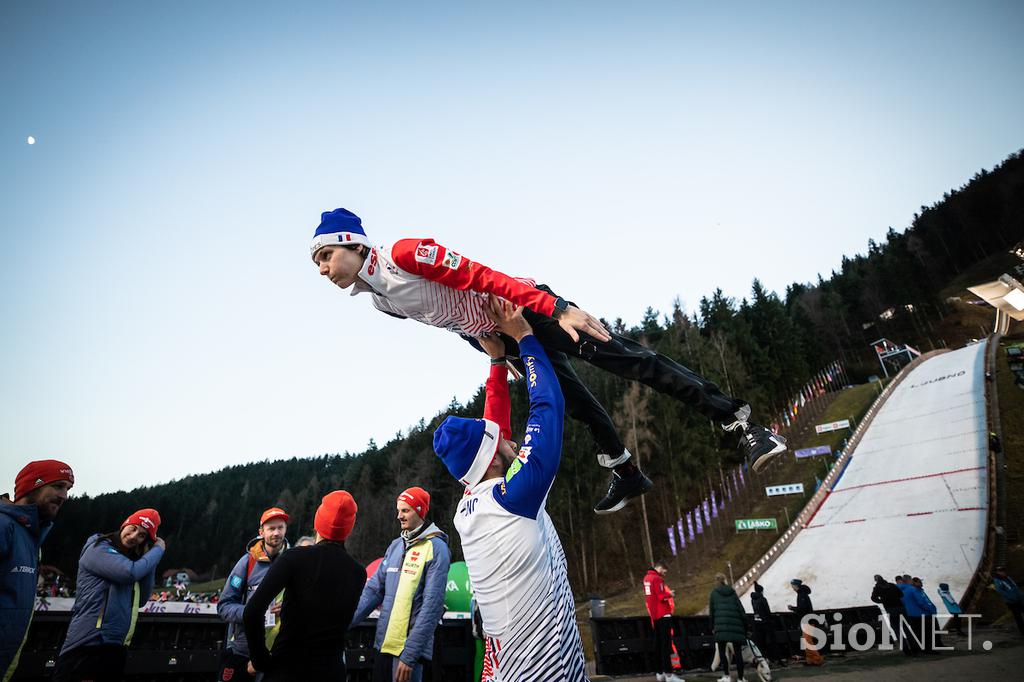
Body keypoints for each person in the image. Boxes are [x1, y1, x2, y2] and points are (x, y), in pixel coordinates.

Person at [311, 209, 787, 514]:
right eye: (317, 264)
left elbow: (480, 274)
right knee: (573, 402)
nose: (323, 270)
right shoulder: (380, 302)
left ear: (352, 242)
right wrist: (486, 346)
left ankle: (740, 423)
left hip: (527, 309)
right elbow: (445, 314)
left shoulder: (402, 254)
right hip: (502, 334)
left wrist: (555, 308)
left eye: (326, 256)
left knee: (627, 361)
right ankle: (624, 471)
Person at [433, 296, 588, 681]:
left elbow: (493, 433)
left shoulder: (472, 502)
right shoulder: (516, 497)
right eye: (504, 444)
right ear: (494, 461)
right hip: (543, 670)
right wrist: (525, 337)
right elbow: (547, 406)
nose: (512, 441)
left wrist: (497, 364)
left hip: (504, 666)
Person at [243, 491, 365, 681]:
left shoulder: (294, 558)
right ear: (348, 528)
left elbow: (251, 611)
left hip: (287, 668)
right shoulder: (358, 572)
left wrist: (260, 661)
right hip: (331, 671)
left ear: (318, 521)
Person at [350, 487, 451, 682]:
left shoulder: (437, 548)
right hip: (384, 645)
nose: (399, 516)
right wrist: (344, 623)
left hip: (409, 654)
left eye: (405, 510)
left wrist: (410, 654)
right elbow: (373, 590)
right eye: (398, 510)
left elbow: (432, 606)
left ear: (420, 511)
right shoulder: (396, 545)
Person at [52, 509, 165, 682]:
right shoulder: (99, 547)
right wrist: (157, 551)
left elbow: (141, 599)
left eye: (142, 535)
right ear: (125, 524)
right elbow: (129, 573)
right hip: (87, 643)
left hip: (114, 645)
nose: (134, 536)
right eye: (133, 528)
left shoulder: (132, 560)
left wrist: (147, 555)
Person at [0, 459, 75, 682]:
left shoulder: (30, 536)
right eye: (58, 486)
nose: (64, 496)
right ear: (33, 485)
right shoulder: (4, 525)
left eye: (68, 489)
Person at [217, 507, 291, 682]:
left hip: (280, 653)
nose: (276, 533)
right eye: (271, 528)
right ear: (261, 532)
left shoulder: (294, 562)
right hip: (243, 651)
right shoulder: (246, 563)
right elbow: (224, 606)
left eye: (280, 527)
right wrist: (253, 612)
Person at [643, 561, 683, 682]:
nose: (665, 573)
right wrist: (669, 594)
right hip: (664, 615)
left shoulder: (646, 578)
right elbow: (661, 597)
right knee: (666, 645)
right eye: (664, 570)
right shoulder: (657, 579)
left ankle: (659, 672)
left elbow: (651, 597)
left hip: (654, 617)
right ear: (660, 568)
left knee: (658, 645)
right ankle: (669, 675)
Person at [709, 573, 746, 682]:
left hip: (720, 626)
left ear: (716, 581)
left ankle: (726, 676)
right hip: (735, 625)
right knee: (738, 653)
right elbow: (741, 610)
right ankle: (740, 678)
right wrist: (746, 626)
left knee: (722, 652)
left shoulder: (714, 594)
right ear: (725, 580)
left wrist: (712, 627)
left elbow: (712, 612)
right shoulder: (732, 593)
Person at [788, 579, 823, 666]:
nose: (792, 588)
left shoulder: (802, 595)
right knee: (806, 641)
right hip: (806, 620)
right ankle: (810, 660)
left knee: (808, 642)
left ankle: (817, 659)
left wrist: (793, 608)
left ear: (796, 586)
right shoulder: (802, 594)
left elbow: (802, 609)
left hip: (808, 620)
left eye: (792, 586)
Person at [750, 581, 784, 666]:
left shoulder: (753, 600)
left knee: (762, 643)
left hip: (757, 624)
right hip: (766, 623)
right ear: (761, 591)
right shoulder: (763, 599)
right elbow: (767, 612)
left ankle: (766, 659)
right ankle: (777, 659)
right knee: (772, 642)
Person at [870, 574, 906, 650]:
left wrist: (882, 601)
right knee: (906, 627)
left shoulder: (877, 588)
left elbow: (873, 598)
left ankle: (906, 649)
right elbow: (901, 594)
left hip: (890, 609)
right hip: (901, 608)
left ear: (876, 580)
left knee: (896, 629)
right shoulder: (892, 585)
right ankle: (915, 647)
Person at [992, 566, 1024, 635]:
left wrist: (1020, 595)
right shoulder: (998, 581)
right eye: (1000, 571)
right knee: (1018, 616)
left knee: (1019, 615)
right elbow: (1000, 591)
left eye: (1003, 570)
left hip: (1019, 599)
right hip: (1011, 601)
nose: (1003, 572)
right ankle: (1022, 631)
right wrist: (1011, 597)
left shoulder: (1008, 578)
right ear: (997, 572)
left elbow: (1014, 586)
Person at [911, 578, 939, 651]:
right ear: (915, 583)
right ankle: (930, 647)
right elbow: (921, 603)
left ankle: (938, 644)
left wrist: (933, 608)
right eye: (919, 582)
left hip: (929, 611)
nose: (921, 583)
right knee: (929, 631)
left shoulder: (921, 590)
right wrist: (929, 609)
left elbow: (926, 600)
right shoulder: (915, 591)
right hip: (925, 613)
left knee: (935, 629)